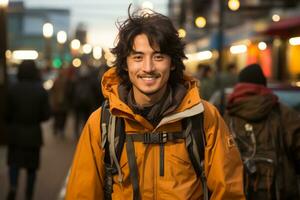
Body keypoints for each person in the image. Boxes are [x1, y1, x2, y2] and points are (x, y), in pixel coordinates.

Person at [65, 8, 245, 200]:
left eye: (158, 57)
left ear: (173, 63)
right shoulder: (101, 123)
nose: (148, 68)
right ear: (125, 64)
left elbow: (229, 193)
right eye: (138, 57)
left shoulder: (205, 117)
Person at [224, 63, 300, 199]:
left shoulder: (228, 116)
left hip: (239, 193)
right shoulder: (285, 114)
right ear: (263, 85)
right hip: (279, 192)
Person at [5, 60, 50, 200]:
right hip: (33, 134)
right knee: (32, 167)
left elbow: (6, 113)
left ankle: (13, 187)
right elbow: (46, 115)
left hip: (15, 133)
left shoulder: (12, 89)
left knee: (14, 163)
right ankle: (29, 193)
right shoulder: (40, 90)